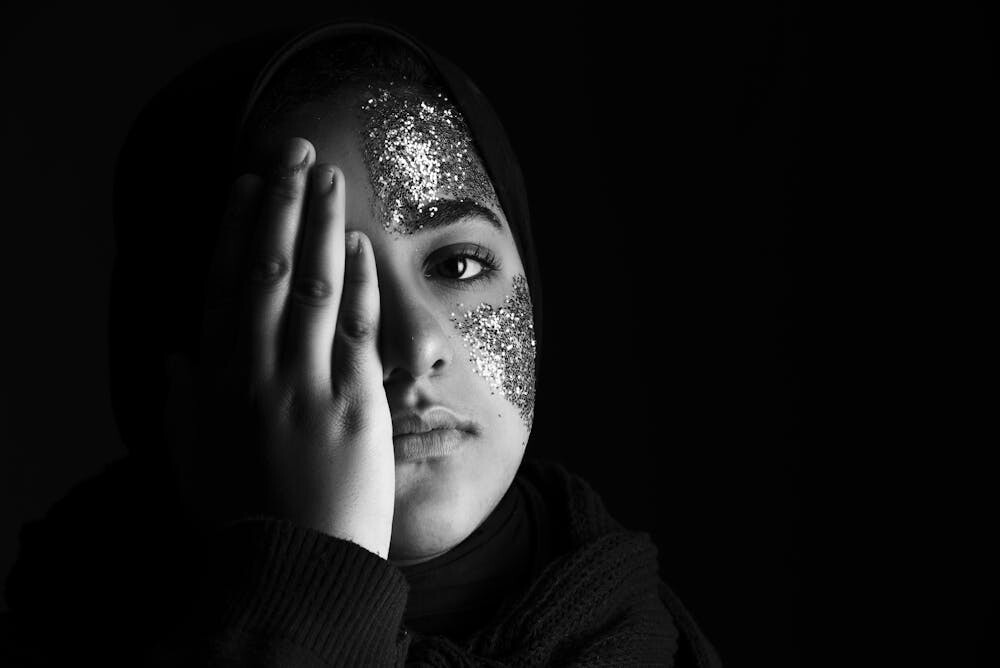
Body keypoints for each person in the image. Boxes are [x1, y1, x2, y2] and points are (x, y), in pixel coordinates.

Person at [1, 19, 722, 667]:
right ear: (181, 354)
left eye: (457, 265)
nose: (415, 345)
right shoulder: (69, 623)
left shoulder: (650, 640)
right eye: (321, 288)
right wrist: (309, 590)